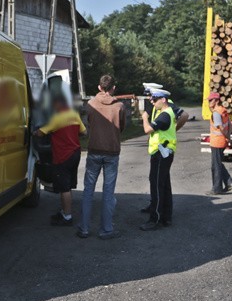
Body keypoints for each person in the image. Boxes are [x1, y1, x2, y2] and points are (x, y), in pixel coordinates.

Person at [78, 74, 128, 240]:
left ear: (99, 87)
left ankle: (84, 228)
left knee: (88, 190)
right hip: (112, 152)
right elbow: (122, 127)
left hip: (94, 151)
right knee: (108, 191)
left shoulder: (91, 104)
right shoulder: (119, 106)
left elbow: (88, 124)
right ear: (113, 88)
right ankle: (106, 229)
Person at [34, 94, 86, 226]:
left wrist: (34, 132)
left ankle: (67, 217)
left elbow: (41, 133)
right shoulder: (74, 115)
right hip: (75, 154)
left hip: (63, 156)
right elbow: (84, 132)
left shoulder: (56, 118)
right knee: (67, 186)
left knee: (64, 188)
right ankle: (64, 211)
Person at [140, 84, 188, 214]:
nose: (150, 100)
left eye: (151, 97)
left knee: (159, 183)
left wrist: (173, 130)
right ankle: (158, 209)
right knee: (159, 181)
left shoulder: (167, 105)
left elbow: (185, 115)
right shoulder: (155, 105)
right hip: (157, 148)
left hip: (163, 149)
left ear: (161, 98)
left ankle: (159, 213)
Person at [139, 88, 176, 230]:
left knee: (157, 186)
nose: (153, 102)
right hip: (164, 152)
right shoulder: (167, 112)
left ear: (163, 100)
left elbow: (147, 130)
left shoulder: (165, 115)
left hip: (161, 154)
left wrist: (144, 118)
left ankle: (155, 219)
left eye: (155, 100)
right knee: (164, 185)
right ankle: (166, 217)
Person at [206, 91, 232, 195]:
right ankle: (229, 183)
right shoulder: (223, 111)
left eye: (211, 100)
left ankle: (216, 189)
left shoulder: (216, 113)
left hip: (216, 142)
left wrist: (228, 138)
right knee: (218, 163)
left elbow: (221, 127)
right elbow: (230, 126)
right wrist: (229, 138)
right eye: (209, 100)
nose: (209, 102)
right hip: (222, 141)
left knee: (216, 166)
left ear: (217, 101)